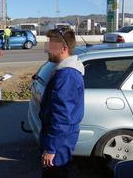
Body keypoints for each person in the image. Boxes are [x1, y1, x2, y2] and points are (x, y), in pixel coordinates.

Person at [39, 28, 85, 178]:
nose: (47, 50)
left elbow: (62, 116)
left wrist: (51, 148)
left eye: (51, 46)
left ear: (64, 48)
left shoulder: (67, 75)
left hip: (60, 142)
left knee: (56, 174)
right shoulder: (63, 71)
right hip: (59, 139)